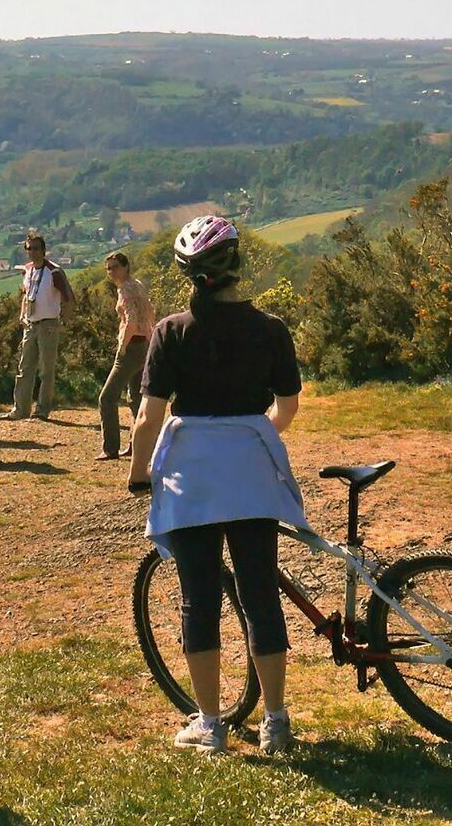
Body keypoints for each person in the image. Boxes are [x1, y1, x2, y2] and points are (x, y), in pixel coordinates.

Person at [128, 216, 306, 756]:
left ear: (187, 274)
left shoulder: (171, 332)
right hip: (251, 478)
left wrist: (138, 473)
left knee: (198, 600)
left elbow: (148, 416)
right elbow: (288, 406)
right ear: (236, 267)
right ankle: (276, 720)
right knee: (259, 595)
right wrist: (253, 436)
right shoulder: (271, 329)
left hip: (192, 481)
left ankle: (210, 722)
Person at [5, 233, 73, 422]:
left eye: (36, 248)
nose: (33, 252)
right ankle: (20, 409)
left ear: (43, 250)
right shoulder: (27, 270)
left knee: (46, 370)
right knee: (24, 368)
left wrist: (62, 324)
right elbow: (26, 295)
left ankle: (42, 410)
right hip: (30, 324)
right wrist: (22, 316)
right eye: (29, 248)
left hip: (48, 324)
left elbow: (69, 299)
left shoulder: (54, 271)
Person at [96, 252, 155, 462]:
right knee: (136, 398)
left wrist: (122, 345)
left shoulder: (125, 290)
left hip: (131, 348)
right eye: (109, 268)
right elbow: (149, 310)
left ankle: (110, 448)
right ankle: (137, 445)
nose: (112, 272)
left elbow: (130, 319)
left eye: (115, 267)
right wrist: (150, 335)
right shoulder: (137, 284)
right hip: (143, 345)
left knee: (107, 397)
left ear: (126, 267)